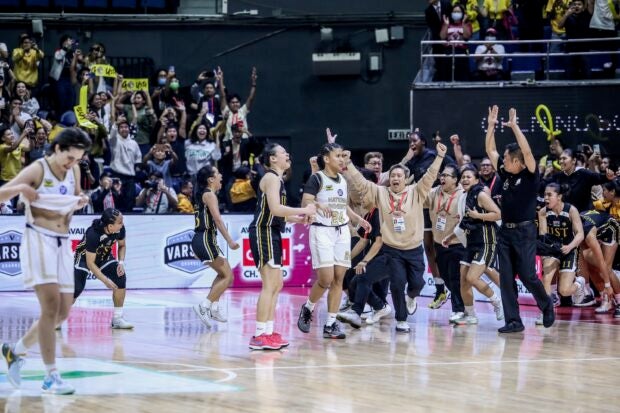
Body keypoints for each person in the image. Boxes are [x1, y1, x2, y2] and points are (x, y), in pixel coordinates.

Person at [1, 127, 91, 395]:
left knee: (62, 312)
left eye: (77, 159)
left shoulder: (73, 170)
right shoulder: (38, 169)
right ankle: (51, 374)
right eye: (69, 158)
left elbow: (74, 197)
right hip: (38, 239)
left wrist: (81, 200)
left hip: (63, 243)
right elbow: (2, 194)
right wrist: (20, 189)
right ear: (57, 149)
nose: (73, 163)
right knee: (50, 307)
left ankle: (15, 351)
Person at [343, 142, 448, 333]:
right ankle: (401, 320)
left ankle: (412, 297)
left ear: (406, 179)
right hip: (393, 251)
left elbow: (430, 176)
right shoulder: (381, 193)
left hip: (414, 250)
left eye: (399, 175)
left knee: (416, 284)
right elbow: (361, 183)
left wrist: (440, 157)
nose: (395, 178)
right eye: (392, 176)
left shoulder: (417, 191)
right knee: (397, 283)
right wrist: (348, 163)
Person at [486, 105, 555, 333]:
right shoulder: (505, 174)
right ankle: (513, 321)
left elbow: (527, 153)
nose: (502, 161)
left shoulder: (530, 175)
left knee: (527, 275)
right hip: (505, 232)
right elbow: (490, 150)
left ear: (517, 162)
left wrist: (515, 127)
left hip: (525, 232)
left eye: (507, 158)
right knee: (506, 279)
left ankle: (546, 305)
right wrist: (491, 126)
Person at [297, 142, 371, 339]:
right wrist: (318, 205)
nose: (341, 159)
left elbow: (343, 206)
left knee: (339, 278)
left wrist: (358, 219)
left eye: (342, 155)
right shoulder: (317, 178)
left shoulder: (342, 180)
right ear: (327, 159)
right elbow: (305, 202)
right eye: (337, 156)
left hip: (342, 232)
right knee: (326, 279)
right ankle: (308, 307)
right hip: (322, 231)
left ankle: (330, 324)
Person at [248, 143, 316, 350]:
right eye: (283, 152)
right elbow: (276, 209)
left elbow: (279, 216)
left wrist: (298, 219)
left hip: (273, 232)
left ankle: (268, 331)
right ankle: (258, 334)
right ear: (272, 159)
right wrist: (304, 209)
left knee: (277, 284)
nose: (288, 154)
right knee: (269, 285)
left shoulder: (278, 180)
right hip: (263, 232)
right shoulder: (270, 178)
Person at [443, 165, 504, 325]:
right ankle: (470, 315)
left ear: (476, 179)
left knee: (472, 277)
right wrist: (451, 236)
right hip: (471, 243)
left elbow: (498, 214)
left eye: (468, 176)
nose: (465, 179)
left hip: (486, 241)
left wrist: (479, 215)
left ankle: (497, 301)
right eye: (463, 177)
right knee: (463, 280)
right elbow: (466, 221)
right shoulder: (464, 196)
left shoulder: (481, 194)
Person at [191, 165, 240, 326]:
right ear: (211, 179)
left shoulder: (203, 194)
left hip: (203, 238)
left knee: (222, 274)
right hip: (205, 238)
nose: (221, 176)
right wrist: (230, 241)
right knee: (228, 276)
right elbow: (218, 220)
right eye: (218, 173)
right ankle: (204, 305)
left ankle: (214, 307)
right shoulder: (209, 195)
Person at [74, 208, 133, 328]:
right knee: (77, 288)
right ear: (110, 226)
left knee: (120, 277)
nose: (122, 224)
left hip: (104, 256)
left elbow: (122, 246)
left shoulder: (120, 230)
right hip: (84, 258)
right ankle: (56, 317)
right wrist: (105, 281)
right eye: (120, 222)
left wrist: (121, 262)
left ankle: (117, 319)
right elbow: (91, 263)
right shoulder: (93, 233)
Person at [537, 183, 585, 324]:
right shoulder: (543, 212)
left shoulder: (571, 210)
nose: (546, 198)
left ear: (559, 197)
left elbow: (580, 235)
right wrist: (549, 249)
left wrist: (569, 246)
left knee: (564, 291)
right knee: (546, 278)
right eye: (545, 194)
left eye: (549, 195)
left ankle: (580, 283)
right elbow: (543, 235)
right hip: (553, 249)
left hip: (570, 249)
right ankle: (545, 312)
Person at [425, 164, 466, 322]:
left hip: (457, 243)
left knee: (455, 278)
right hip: (439, 243)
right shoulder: (434, 192)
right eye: (441, 175)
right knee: (446, 278)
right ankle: (462, 304)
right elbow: (419, 196)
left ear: (455, 180)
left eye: (446, 175)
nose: (442, 178)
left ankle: (459, 309)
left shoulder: (463, 194)